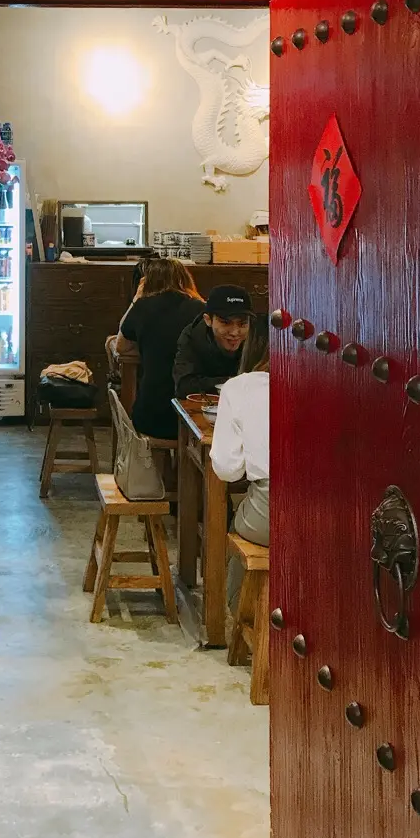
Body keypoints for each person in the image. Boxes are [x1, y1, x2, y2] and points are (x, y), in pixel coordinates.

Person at [209, 315, 270, 607]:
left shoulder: (239, 387)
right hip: (334, 513)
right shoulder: (329, 380)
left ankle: (242, 613)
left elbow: (228, 470)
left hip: (269, 512)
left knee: (238, 526)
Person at [114, 258, 205, 440]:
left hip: (152, 417)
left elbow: (121, 347)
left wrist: (136, 300)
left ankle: (159, 458)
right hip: (194, 417)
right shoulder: (201, 309)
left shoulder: (143, 306)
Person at [172, 285, 253, 400]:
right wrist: (234, 382)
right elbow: (184, 386)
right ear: (208, 320)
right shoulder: (193, 336)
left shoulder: (260, 337)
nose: (235, 332)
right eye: (226, 323)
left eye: (242, 324)